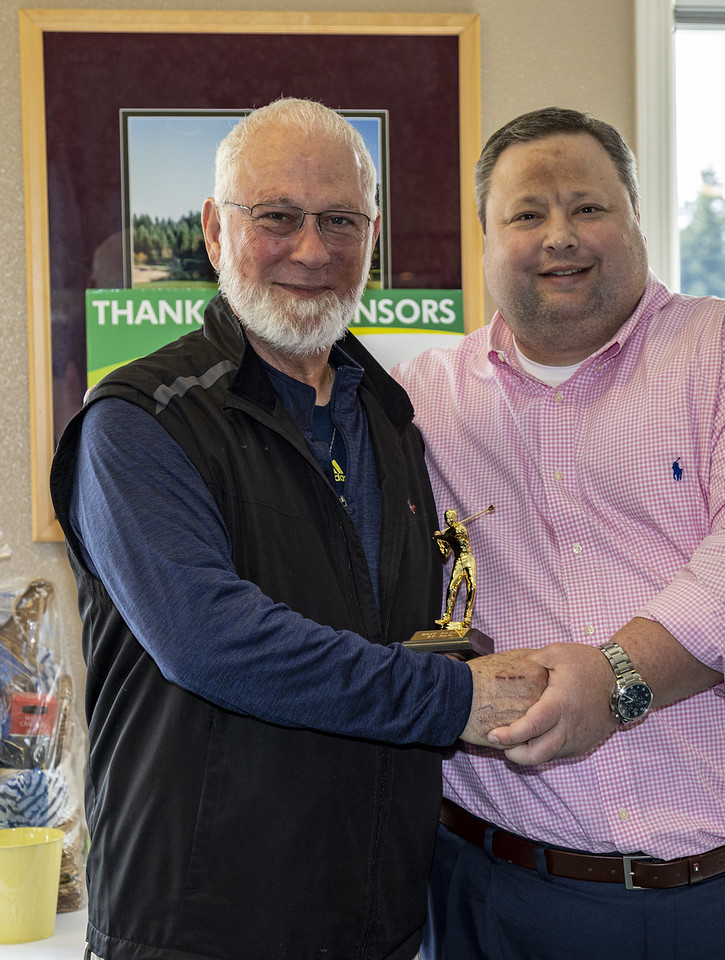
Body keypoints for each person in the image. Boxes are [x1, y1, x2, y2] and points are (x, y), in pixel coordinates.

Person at [49, 98, 549, 960]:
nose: (312, 251)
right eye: (277, 217)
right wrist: (458, 700)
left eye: (341, 221)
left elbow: (408, 626)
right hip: (200, 932)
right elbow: (215, 642)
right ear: (214, 231)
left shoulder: (394, 419)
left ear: (372, 238)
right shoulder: (137, 422)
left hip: (381, 924)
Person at [393, 107, 725, 960]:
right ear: (484, 239)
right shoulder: (418, 402)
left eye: (589, 207)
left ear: (634, 219)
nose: (561, 236)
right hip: (505, 897)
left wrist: (617, 674)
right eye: (526, 214)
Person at [434, 509, 479, 628]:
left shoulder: (460, 528)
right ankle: (447, 616)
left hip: (468, 558)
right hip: (458, 560)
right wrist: (439, 542)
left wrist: (440, 537)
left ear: (455, 517)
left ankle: (467, 617)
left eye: (450, 517)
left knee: (471, 586)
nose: (448, 520)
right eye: (446, 518)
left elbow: (453, 536)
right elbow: (445, 554)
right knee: (452, 587)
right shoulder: (448, 534)